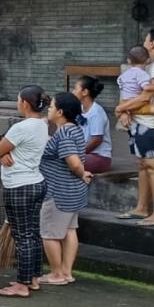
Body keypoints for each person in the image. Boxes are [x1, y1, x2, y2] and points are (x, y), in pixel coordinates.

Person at [115, 27, 154, 227]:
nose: (143, 43)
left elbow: (145, 96)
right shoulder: (149, 66)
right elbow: (133, 93)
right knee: (142, 165)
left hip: (151, 124)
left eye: (146, 39)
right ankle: (141, 208)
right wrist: (125, 111)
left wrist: (121, 108)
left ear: (152, 43)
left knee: (153, 167)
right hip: (140, 121)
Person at [0, 85, 50, 298]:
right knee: (33, 233)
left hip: (19, 186)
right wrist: (6, 153)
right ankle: (33, 278)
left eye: (18, 100)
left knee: (22, 236)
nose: (18, 103)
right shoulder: (42, 125)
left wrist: (3, 153)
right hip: (36, 183)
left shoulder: (21, 128)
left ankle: (22, 284)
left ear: (25, 103)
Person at [40, 92, 94, 285]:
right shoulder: (75, 129)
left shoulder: (64, 134)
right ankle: (66, 272)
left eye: (52, 107)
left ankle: (56, 274)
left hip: (59, 192)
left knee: (49, 234)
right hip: (73, 191)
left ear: (60, 112)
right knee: (70, 231)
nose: (49, 109)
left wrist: (81, 173)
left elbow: (73, 162)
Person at [72, 76, 112, 173]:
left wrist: (79, 153)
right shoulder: (80, 108)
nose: (73, 92)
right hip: (85, 154)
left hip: (100, 157)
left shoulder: (96, 112)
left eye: (75, 89)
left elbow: (96, 140)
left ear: (85, 92)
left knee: (69, 162)